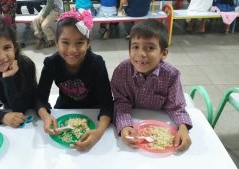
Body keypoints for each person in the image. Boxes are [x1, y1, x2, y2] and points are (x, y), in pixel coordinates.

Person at [36, 11, 113, 151]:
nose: (72, 50)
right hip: (64, 108)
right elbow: (39, 99)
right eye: (65, 42)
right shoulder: (51, 63)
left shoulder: (97, 64)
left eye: (79, 42)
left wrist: (99, 132)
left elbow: (107, 104)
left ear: (88, 43)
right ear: (56, 43)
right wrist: (46, 116)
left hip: (93, 110)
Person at [111, 20, 192, 151]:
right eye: (135, 47)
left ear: (163, 53)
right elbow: (121, 102)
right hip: (133, 120)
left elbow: (176, 107)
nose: (141, 54)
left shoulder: (171, 75)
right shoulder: (121, 71)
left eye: (150, 48)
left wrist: (183, 128)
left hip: (160, 125)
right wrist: (125, 126)